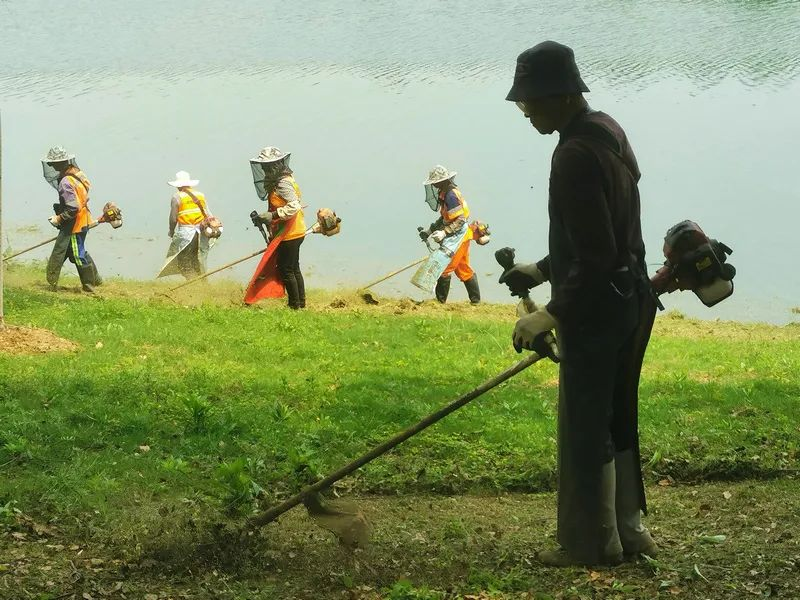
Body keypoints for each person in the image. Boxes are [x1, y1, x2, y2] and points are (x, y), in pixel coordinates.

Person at [501, 41, 658, 567]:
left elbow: (594, 256)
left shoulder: (570, 155)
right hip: (631, 297)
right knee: (618, 418)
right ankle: (630, 534)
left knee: (586, 425)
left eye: (532, 99)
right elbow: (605, 232)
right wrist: (542, 269)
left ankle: (594, 545)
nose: (525, 110)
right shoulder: (607, 130)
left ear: (564, 96)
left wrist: (550, 312)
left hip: (595, 311)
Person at [250, 147, 307, 309]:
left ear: (275, 165)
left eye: (266, 166)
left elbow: (294, 205)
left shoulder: (283, 183)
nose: (264, 170)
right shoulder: (284, 180)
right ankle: (300, 303)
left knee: (286, 269)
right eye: (263, 166)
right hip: (294, 230)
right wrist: (266, 219)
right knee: (293, 267)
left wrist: (273, 215)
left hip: (290, 232)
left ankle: (294, 305)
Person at [418, 165, 482, 304]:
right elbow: (445, 218)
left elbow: (460, 219)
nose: (434, 185)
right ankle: (476, 301)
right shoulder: (445, 193)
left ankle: (440, 303)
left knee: (444, 268)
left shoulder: (451, 195)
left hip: (459, 237)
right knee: (463, 269)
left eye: (435, 182)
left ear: (443, 181)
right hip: (461, 236)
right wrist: (429, 231)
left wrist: (444, 232)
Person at [42, 146, 101, 293]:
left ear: (57, 164)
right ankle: (97, 279)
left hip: (75, 224)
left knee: (77, 254)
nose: (51, 166)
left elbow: (73, 208)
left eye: (52, 163)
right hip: (84, 218)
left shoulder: (65, 182)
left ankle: (89, 287)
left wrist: (58, 218)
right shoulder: (78, 174)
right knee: (77, 249)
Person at [164, 170, 217, 278]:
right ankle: (203, 282)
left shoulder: (177, 197)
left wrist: (171, 231)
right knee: (198, 259)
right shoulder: (200, 195)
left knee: (184, 262)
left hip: (187, 233)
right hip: (202, 232)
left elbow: (173, 219)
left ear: (178, 185)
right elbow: (208, 213)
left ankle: (194, 283)